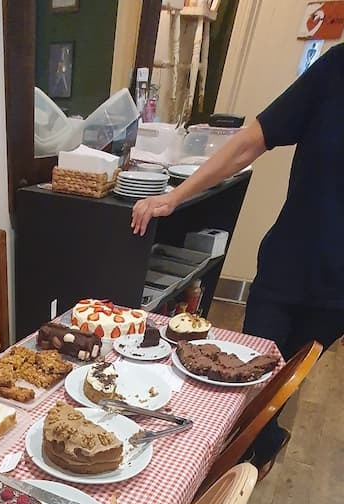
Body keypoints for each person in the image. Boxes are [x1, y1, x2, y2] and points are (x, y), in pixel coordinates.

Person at [131, 43, 344, 479]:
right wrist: (174, 197)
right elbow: (250, 142)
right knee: (247, 381)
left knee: (281, 387)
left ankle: (250, 459)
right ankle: (243, 454)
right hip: (288, 263)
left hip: (339, 292)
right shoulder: (336, 70)